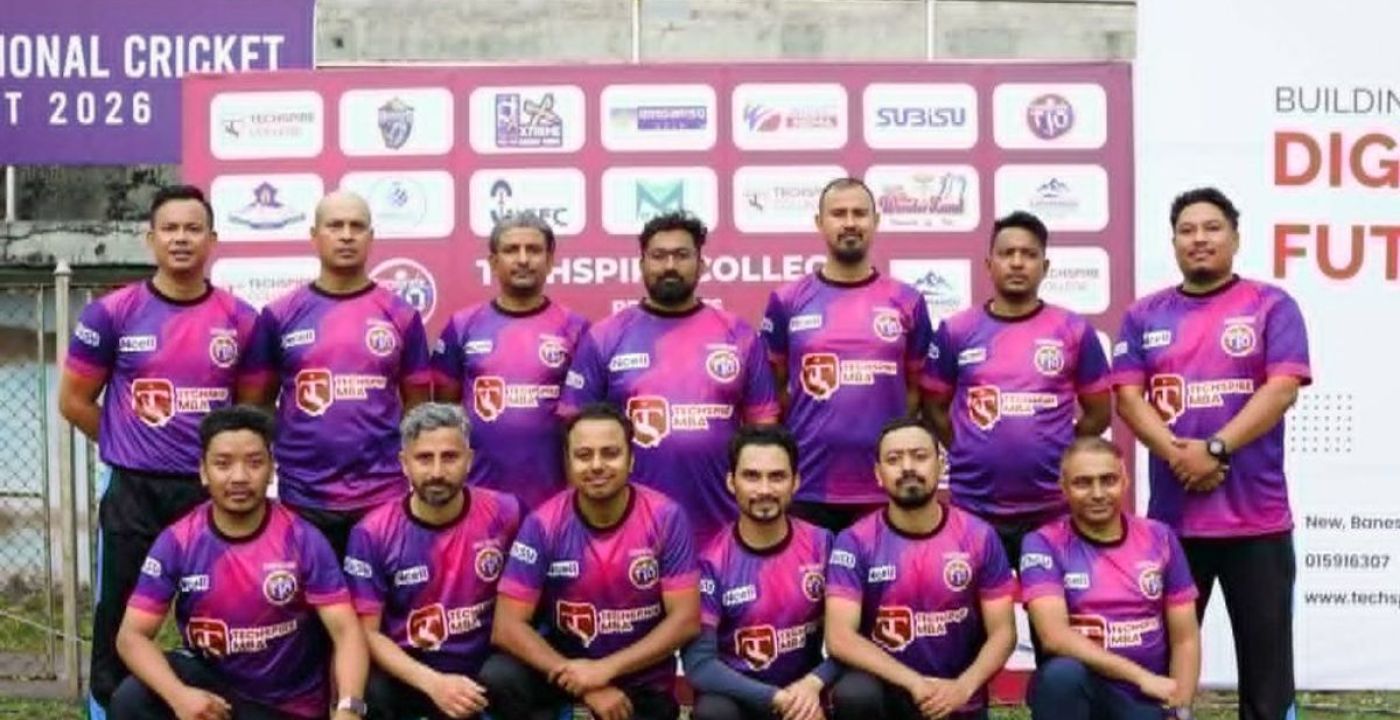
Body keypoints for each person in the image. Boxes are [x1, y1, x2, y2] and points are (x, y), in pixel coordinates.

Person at [1110, 187, 1310, 720]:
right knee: (1163, 673)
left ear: (1235, 238)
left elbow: (1282, 389)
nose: (1199, 239)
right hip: (1173, 528)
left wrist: (1216, 449)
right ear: (1174, 241)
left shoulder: (1271, 305)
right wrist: (1181, 457)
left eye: (1212, 228)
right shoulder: (1143, 314)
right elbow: (1128, 398)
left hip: (1258, 522)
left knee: (1268, 680)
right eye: (1187, 230)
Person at [58, 184, 260, 707]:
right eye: (170, 229)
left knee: (224, 617)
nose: (181, 238)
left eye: (193, 228)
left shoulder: (241, 320)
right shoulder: (112, 313)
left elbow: (249, 415)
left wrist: (220, 467)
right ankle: (107, 710)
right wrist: (132, 444)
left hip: (212, 496)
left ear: (212, 239)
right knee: (119, 615)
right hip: (134, 492)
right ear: (151, 239)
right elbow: (74, 401)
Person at [110, 406, 369, 720]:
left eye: (254, 463)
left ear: (272, 469)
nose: (239, 477)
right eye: (223, 464)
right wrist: (180, 697)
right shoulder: (178, 541)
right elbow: (131, 637)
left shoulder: (303, 539)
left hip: (287, 708)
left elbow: (346, 632)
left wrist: (349, 708)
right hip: (216, 701)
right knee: (132, 699)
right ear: (203, 471)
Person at [560, 211, 779, 544]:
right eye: (659, 256)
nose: (670, 265)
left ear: (701, 264)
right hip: (629, 529)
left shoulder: (740, 335)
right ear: (642, 264)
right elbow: (574, 435)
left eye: (682, 255)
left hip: (722, 526)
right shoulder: (605, 336)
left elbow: (764, 433)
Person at [243, 190, 433, 556]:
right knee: (310, 594)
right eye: (335, 226)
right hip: (303, 496)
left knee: (379, 593)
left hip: (382, 494)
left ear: (371, 237)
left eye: (356, 226)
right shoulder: (279, 315)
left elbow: (418, 411)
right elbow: (256, 408)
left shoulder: (401, 315)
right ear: (315, 236)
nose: (347, 235)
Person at [482, 403, 701, 720]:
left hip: (639, 681)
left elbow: (686, 620)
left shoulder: (666, 517)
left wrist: (605, 670)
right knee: (500, 674)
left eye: (610, 453)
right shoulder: (542, 523)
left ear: (631, 459)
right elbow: (506, 627)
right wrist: (586, 684)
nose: (597, 465)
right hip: (565, 674)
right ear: (569, 463)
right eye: (584, 455)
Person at [922, 210, 1111, 563]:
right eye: (1007, 253)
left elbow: (1099, 413)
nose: (1018, 262)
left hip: (1052, 507)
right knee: (975, 600)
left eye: (1029, 254)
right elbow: (933, 409)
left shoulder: (1073, 330)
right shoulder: (956, 330)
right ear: (989, 264)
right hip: (974, 505)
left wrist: (1058, 445)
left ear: (1045, 266)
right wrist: (966, 448)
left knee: (1052, 599)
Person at [762, 178, 935, 532]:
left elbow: (917, 390)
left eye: (860, 213)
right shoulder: (787, 300)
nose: (850, 222)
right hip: (809, 484)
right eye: (839, 214)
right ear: (819, 222)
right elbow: (774, 390)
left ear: (876, 220)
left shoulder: (907, 301)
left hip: (886, 485)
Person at [824, 418, 1016, 720]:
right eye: (893, 459)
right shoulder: (855, 541)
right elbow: (839, 637)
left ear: (941, 465)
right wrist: (915, 683)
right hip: (888, 698)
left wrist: (963, 688)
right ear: (878, 474)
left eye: (919, 456)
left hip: (958, 700)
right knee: (855, 693)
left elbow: (1003, 632)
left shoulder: (979, 536)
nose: (907, 467)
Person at [344, 403, 522, 719]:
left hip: (481, 672)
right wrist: (434, 684)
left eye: (450, 457)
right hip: (412, 674)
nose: (437, 472)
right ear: (404, 464)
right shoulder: (372, 533)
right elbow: (367, 633)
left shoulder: (507, 513)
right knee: (370, 688)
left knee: (507, 677)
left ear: (469, 460)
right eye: (424, 458)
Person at [1021, 437, 1200, 720]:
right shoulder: (1043, 543)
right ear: (1063, 487)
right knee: (1060, 677)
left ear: (1125, 481)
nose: (1098, 493)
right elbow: (1054, 636)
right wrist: (1140, 676)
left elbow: (1185, 639)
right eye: (1083, 483)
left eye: (1108, 480)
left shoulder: (1160, 537)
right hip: (1087, 694)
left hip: (1144, 702)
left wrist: (1181, 711)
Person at [432, 213, 589, 508]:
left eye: (534, 250)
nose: (523, 259)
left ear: (550, 260)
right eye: (511, 250)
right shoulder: (462, 326)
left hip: (552, 503)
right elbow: (443, 417)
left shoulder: (576, 329)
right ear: (493, 262)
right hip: (477, 502)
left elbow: (584, 426)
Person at [682, 425, 838, 720]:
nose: (764, 489)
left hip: (806, 697)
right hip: (743, 700)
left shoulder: (823, 544)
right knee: (713, 712)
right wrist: (776, 698)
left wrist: (813, 683)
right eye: (751, 476)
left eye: (777, 477)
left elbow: (854, 639)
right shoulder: (710, 562)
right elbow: (699, 665)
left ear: (796, 482)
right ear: (731, 482)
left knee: (856, 691)